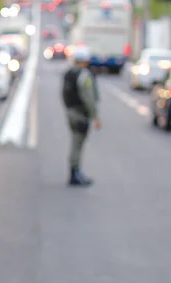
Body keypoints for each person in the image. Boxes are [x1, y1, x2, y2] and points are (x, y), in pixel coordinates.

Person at [61, 45, 100, 186]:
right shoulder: (84, 76)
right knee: (77, 144)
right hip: (80, 114)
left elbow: (63, 95)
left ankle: (75, 172)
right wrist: (95, 116)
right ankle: (75, 173)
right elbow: (88, 98)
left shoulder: (69, 73)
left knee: (75, 141)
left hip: (70, 112)